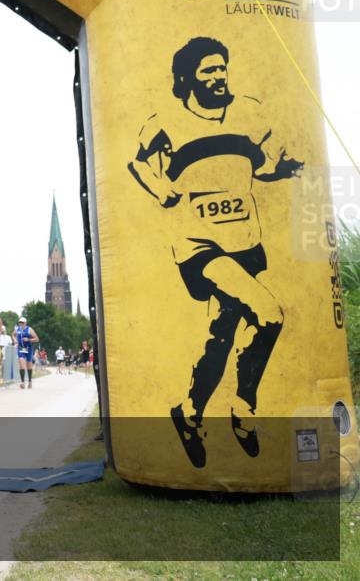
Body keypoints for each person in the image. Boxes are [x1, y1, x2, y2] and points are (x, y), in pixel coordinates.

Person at [128, 37, 301, 468]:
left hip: (246, 242)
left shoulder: (249, 113)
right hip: (199, 246)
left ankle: (188, 413)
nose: (218, 76)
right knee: (269, 314)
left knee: (220, 337)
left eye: (222, 68)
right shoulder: (166, 121)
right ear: (187, 78)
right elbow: (139, 162)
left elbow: (260, 167)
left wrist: (283, 169)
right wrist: (161, 188)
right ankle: (243, 408)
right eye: (208, 70)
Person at [14, 317, 39, 389]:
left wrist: (28, 339)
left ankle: (30, 381)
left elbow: (37, 339)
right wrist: (15, 340)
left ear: (25, 323)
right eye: (20, 322)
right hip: (20, 348)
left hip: (28, 349)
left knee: (29, 365)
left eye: (22, 322)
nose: (21, 324)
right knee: (21, 363)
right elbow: (13, 334)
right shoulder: (17, 329)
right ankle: (22, 382)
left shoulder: (29, 329)